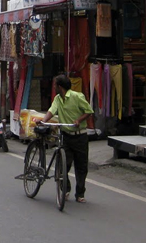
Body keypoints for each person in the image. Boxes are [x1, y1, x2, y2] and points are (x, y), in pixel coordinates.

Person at [39, 74, 94, 203]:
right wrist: (44, 121)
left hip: (80, 136)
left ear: (59, 86)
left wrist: (79, 120)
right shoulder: (57, 99)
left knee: (81, 166)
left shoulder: (77, 96)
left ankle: (80, 193)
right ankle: (66, 188)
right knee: (63, 164)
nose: (54, 88)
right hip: (65, 135)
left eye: (55, 85)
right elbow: (51, 111)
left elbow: (89, 111)